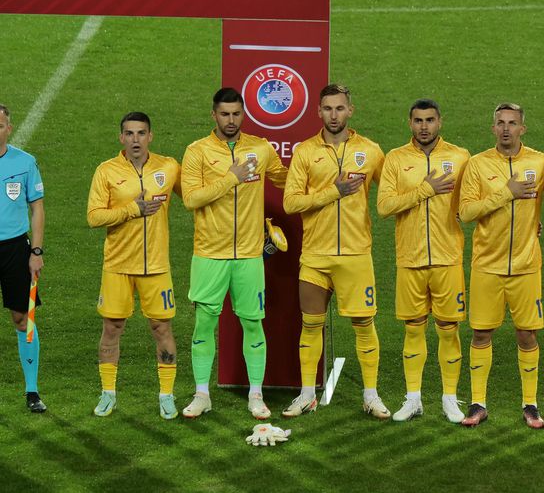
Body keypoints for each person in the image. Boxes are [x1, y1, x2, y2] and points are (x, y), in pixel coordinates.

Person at [282, 83, 390, 419]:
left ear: (350, 111)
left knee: (364, 324)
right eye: (328, 109)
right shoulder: (305, 152)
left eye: (340, 108)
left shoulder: (370, 151)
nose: (334, 115)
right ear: (318, 111)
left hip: (356, 254)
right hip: (316, 255)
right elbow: (290, 203)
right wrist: (334, 191)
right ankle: (306, 395)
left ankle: (371, 395)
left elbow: (391, 193)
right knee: (311, 324)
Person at [180, 88, 288, 419]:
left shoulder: (261, 148)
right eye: (225, 114)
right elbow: (191, 199)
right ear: (214, 115)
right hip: (209, 254)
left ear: (243, 114)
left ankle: (256, 395)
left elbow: (285, 179)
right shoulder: (197, 151)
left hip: (249, 256)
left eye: (236, 114)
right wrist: (231, 178)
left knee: (253, 324)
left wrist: (321, 178)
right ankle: (202, 394)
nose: (231, 120)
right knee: (204, 324)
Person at [377, 99, 471, 424]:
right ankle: (413, 398)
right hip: (410, 258)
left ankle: (449, 399)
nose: (424, 126)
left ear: (440, 122)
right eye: (418, 120)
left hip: (448, 258)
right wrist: (424, 190)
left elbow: (476, 201)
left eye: (430, 120)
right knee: (413, 329)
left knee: (448, 329)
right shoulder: (396, 158)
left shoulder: (460, 157)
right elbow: (384, 206)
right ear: (410, 123)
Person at [457, 103, 544, 428]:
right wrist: (506, 194)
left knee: (527, 334)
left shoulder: (541, 162)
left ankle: (531, 404)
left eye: (512, 123)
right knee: (481, 333)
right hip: (487, 265)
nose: (506, 128)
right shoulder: (477, 164)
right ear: (493, 128)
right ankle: (478, 403)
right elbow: (466, 212)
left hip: (526, 265)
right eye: (501, 123)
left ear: (523, 128)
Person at [86, 112, 182, 419]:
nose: (135, 139)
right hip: (118, 264)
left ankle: (166, 395)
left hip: (156, 265)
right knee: (112, 328)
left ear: (150, 136)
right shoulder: (106, 171)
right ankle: (108, 393)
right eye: (129, 133)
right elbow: (94, 216)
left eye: (141, 133)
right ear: (121, 138)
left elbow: (194, 198)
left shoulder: (169, 167)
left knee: (161, 328)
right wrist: (132, 209)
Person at [0, 104, 45, 413]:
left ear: (9, 128)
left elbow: (37, 207)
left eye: (0, 125)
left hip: (15, 248)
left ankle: (32, 390)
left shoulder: (25, 162)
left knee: (22, 318)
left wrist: (36, 251)